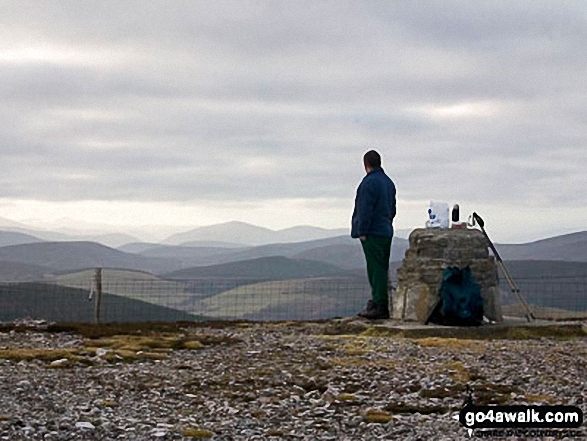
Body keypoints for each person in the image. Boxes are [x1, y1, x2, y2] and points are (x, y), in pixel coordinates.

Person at [351, 150, 396, 320]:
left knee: (375, 268)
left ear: (365, 164)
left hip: (373, 232)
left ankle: (380, 304)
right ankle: (379, 301)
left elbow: (364, 209)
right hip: (385, 230)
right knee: (381, 267)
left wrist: (362, 231)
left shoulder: (369, 183)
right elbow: (392, 208)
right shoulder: (388, 182)